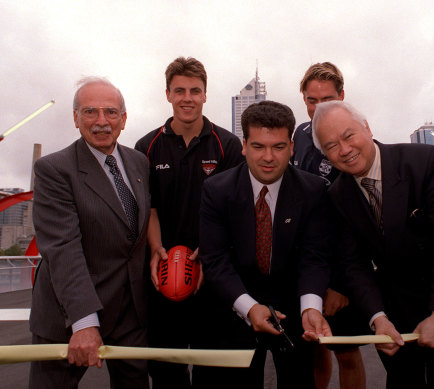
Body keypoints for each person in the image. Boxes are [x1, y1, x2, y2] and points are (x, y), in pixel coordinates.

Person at [312, 100, 434, 389]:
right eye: (332, 146)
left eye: (349, 136)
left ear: (367, 127)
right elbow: (354, 264)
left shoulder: (424, 161)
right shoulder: (337, 195)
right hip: (394, 313)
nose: (345, 150)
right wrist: (378, 318)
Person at [198, 100, 332, 389]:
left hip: (295, 309)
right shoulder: (216, 190)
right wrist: (248, 307)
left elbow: (315, 256)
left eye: (279, 147)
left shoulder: (314, 190)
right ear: (244, 145)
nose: (268, 157)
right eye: (258, 146)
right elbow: (215, 260)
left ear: (292, 147)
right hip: (235, 305)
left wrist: (311, 308)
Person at [29, 77, 151, 388]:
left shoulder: (139, 163)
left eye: (110, 112)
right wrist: (83, 322)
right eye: (90, 112)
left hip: (130, 314)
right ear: (75, 117)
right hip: (68, 317)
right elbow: (63, 248)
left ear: (123, 119)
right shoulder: (54, 169)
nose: (101, 122)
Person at [134, 56, 243, 388]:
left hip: (214, 273)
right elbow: (148, 207)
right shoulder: (146, 146)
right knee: (167, 371)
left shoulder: (227, 144)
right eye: (179, 90)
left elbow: (232, 211)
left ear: (205, 95)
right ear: (167, 94)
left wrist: (210, 255)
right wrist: (156, 249)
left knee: (213, 370)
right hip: (165, 272)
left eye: (195, 91)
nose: (187, 98)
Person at [292, 62, 366, 389]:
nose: (318, 107)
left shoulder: (352, 137)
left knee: (346, 352)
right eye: (311, 100)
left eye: (327, 98)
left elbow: (359, 218)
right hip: (306, 263)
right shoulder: (299, 135)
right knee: (314, 351)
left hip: (340, 267)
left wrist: (342, 284)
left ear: (343, 96)